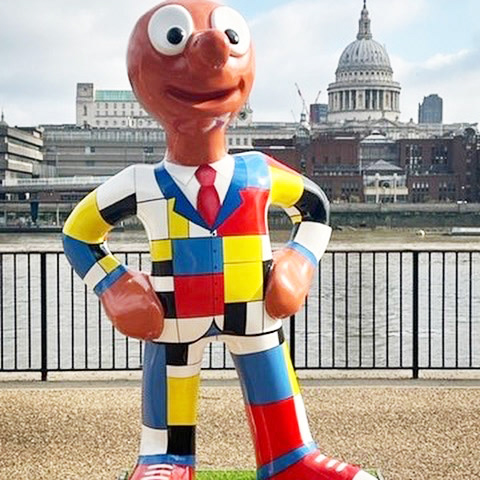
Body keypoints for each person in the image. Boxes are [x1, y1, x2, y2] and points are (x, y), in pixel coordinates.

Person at [63, 2, 376, 479]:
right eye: (174, 40)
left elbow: (315, 209)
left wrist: (297, 262)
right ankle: (165, 459)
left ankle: (290, 456)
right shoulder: (142, 183)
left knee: (272, 383)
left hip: (253, 306)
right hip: (175, 313)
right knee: (170, 392)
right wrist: (116, 285)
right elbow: (78, 232)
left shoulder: (259, 172)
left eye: (229, 39)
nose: (211, 52)